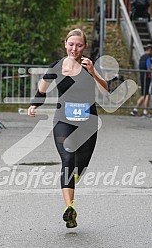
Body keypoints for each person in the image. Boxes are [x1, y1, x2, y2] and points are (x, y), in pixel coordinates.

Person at [28, 29, 108, 228]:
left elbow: (106, 90)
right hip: (63, 120)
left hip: (88, 123)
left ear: (85, 47)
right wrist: (34, 104)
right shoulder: (56, 67)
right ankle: (69, 208)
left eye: (79, 45)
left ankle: (70, 190)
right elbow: (42, 88)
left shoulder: (89, 65)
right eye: (71, 44)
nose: (74, 48)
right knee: (68, 158)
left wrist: (93, 73)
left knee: (79, 166)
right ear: (65, 44)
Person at [130, 44, 152, 118]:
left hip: (142, 77)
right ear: (149, 50)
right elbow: (149, 67)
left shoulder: (141, 57)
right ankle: (145, 111)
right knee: (147, 94)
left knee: (143, 94)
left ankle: (135, 110)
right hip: (147, 78)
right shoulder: (148, 58)